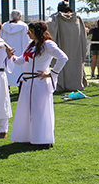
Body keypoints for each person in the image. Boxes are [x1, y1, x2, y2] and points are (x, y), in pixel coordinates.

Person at [7, 20, 68, 149]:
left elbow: (63, 57)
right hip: (28, 82)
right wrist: (11, 56)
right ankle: (28, 137)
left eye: (30, 31)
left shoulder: (48, 45)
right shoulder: (31, 44)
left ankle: (43, 139)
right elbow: (22, 61)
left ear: (37, 32)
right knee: (27, 111)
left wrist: (52, 73)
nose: (28, 34)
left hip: (39, 83)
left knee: (40, 111)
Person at [46, 1, 87, 92]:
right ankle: (76, 84)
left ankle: (61, 85)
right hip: (76, 49)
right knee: (75, 65)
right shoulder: (77, 18)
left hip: (61, 47)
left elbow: (48, 27)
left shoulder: (55, 18)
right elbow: (84, 36)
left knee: (61, 62)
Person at [1, 9, 30, 88]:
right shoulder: (23, 26)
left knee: (7, 69)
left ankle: (7, 87)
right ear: (20, 17)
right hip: (20, 51)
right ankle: (20, 86)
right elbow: (26, 40)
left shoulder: (4, 26)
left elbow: (2, 39)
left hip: (7, 51)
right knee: (19, 70)